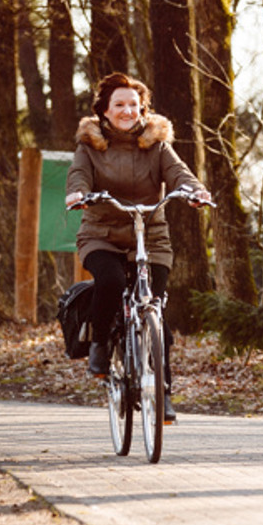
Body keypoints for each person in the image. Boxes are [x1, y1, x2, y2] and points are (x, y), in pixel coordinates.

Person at [65, 72, 211, 422]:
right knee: (112, 283)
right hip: (102, 234)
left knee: (156, 313)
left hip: (151, 235)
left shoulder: (157, 145)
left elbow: (179, 174)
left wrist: (195, 191)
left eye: (134, 104)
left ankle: (163, 394)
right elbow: (79, 175)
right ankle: (100, 345)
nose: (127, 111)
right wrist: (77, 194)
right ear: (105, 110)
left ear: (142, 108)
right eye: (119, 105)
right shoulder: (89, 146)